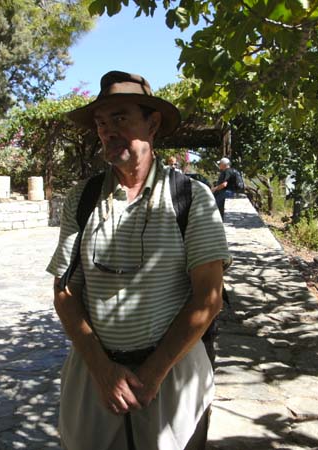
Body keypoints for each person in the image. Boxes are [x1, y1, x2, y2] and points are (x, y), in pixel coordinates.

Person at [47, 70, 230, 450]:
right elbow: (65, 292)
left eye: (120, 118)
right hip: (95, 377)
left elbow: (208, 299)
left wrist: (152, 373)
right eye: (101, 122)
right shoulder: (83, 199)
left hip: (173, 376)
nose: (107, 131)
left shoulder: (190, 198)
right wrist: (102, 370)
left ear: (153, 123)